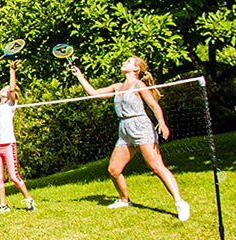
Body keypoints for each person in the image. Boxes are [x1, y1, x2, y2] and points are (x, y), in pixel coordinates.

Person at [69, 56, 190, 221]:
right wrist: (79, 76)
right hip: (124, 129)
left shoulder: (138, 85)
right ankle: (125, 200)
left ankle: (180, 203)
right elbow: (93, 93)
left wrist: (161, 122)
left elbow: (154, 105)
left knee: (156, 167)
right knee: (114, 170)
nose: (123, 63)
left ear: (136, 69)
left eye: (128, 62)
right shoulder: (117, 87)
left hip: (140, 127)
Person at [0, 60, 36, 214]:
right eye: (3, 88)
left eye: (7, 88)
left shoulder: (11, 105)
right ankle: (3, 205)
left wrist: (12, 71)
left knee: (14, 176)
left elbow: (12, 88)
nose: (5, 89)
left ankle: (29, 199)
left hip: (8, 145)